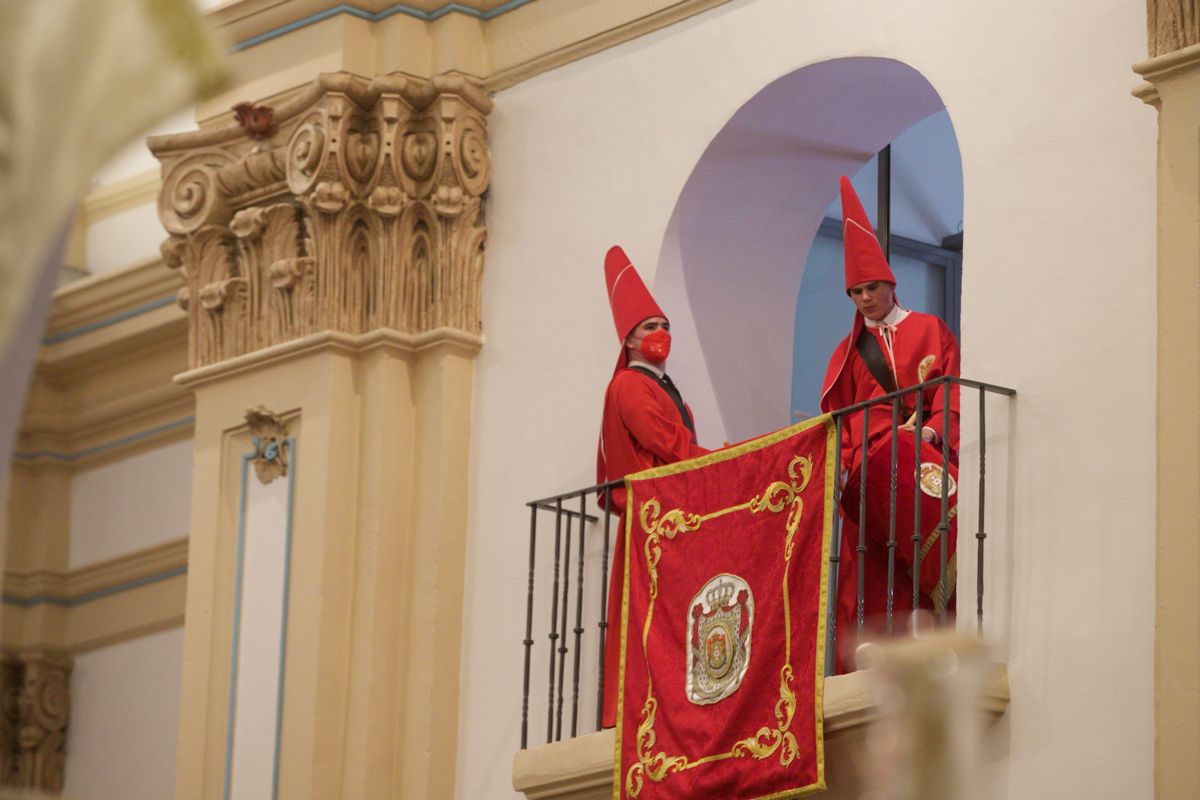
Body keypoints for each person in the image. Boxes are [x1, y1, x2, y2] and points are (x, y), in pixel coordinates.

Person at [818, 177, 961, 670]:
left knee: (927, 552)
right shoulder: (847, 353)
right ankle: (868, 655)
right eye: (855, 292)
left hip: (921, 456)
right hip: (872, 468)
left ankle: (932, 645)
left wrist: (933, 431)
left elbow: (947, 390)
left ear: (889, 283)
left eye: (871, 288)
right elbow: (840, 419)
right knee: (871, 571)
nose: (864, 298)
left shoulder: (929, 330)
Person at [596, 244, 709, 727]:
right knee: (652, 614)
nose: (660, 334)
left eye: (665, 327)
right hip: (653, 513)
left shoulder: (664, 387)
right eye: (649, 328)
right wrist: (722, 459)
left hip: (672, 510)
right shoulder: (631, 386)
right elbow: (666, 444)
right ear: (630, 341)